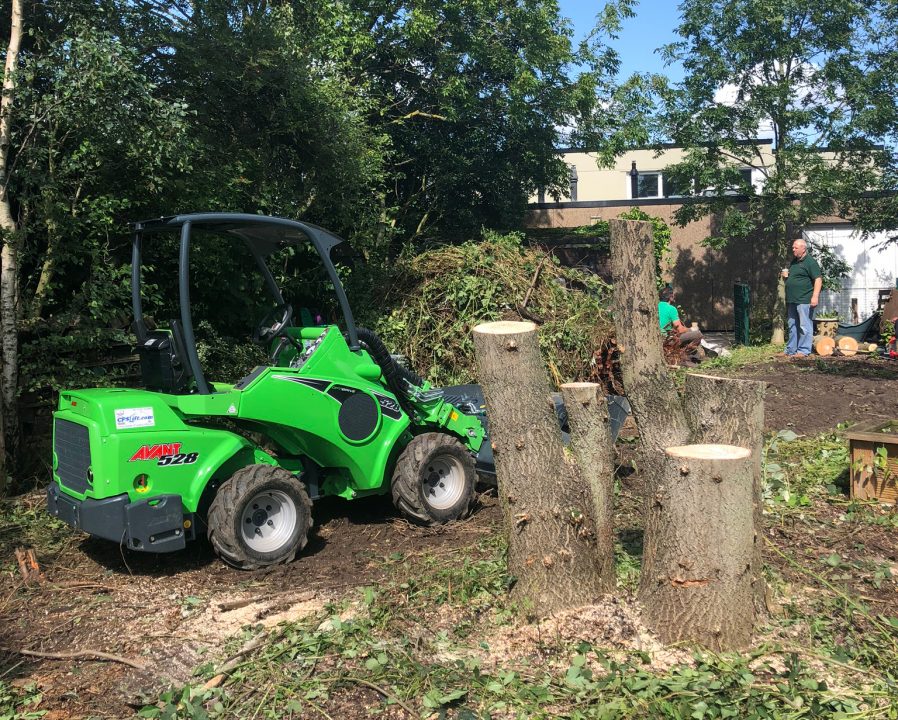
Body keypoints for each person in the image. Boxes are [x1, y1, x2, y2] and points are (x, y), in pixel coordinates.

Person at [782, 238, 822, 357]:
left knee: (804, 325)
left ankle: (804, 350)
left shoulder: (810, 262)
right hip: (792, 299)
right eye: (793, 247)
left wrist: (815, 296)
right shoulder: (794, 262)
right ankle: (791, 350)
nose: (793, 249)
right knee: (792, 325)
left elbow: (818, 279)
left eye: (795, 247)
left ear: (803, 249)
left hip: (804, 299)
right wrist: (786, 277)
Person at [658, 286, 703, 362]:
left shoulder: (655, 306)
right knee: (698, 334)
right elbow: (680, 329)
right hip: (667, 340)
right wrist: (691, 329)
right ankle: (684, 357)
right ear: (671, 296)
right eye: (673, 295)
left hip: (658, 338)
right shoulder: (671, 309)